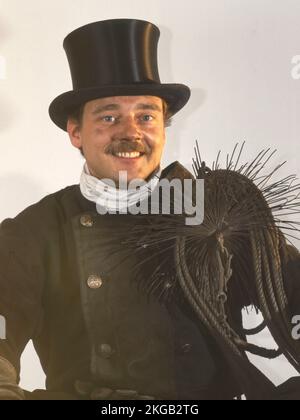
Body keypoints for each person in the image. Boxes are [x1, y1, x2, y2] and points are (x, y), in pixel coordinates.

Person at [0, 18, 300, 401]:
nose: (130, 131)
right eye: (109, 117)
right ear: (75, 132)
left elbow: (291, 295)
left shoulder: (216, 212)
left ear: (163, 127)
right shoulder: (35, 230)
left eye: (146, 116)